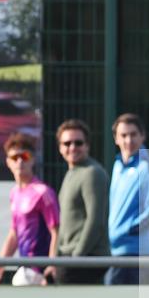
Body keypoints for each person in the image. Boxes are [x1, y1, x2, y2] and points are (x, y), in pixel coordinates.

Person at [0, 133, 59, 286]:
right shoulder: (15, 193)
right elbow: (14, 234)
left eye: (24, 156)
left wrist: (52, 266)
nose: (19, 162)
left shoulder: (43, 192)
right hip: (25, 268)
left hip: (40, 273)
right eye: (14, 158)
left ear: (32, 159)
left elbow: (56, 231)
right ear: (7, 162)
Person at [43, 119, 110, 285]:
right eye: (67, 143)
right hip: (69, 258)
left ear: (87, 145)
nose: (72, 147)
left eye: (78, 142)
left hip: (86, 259)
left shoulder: (92, 173)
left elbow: (95, 220)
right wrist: (55, 260)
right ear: (60, 148)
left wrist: (76, 258)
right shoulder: (72, 173)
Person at [106, 113, 149, 285]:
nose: (128, 140)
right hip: (117, 251)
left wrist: (128, 231)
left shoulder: (147, 166)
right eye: (123, 135)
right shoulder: (117, 165)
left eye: (133, 134)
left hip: (137, 253)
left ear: (142, 136)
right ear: (116, 139)